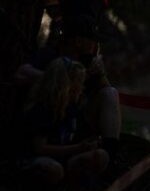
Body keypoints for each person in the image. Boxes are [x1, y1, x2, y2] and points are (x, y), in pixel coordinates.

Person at [15, 14, 121, 155]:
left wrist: (100, 74)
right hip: (49, 121)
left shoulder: (88, 62)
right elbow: (21, 74)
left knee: (111, 93)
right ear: (79, 41)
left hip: (78, 119)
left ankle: (110, 152)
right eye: (92, 40)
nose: (95, 46)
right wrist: (59, 78)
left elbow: (106, 93)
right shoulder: (50, 55)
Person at [18, 57, 109, 191]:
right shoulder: (43, 109)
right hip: (36, 160)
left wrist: (88, 144)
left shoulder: (71, 108)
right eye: (79, 82)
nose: (82, 87)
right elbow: (40, 148)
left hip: (63, 160)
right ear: (67, 85)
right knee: (54, 170)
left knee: (101, 156)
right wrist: (78, 148)